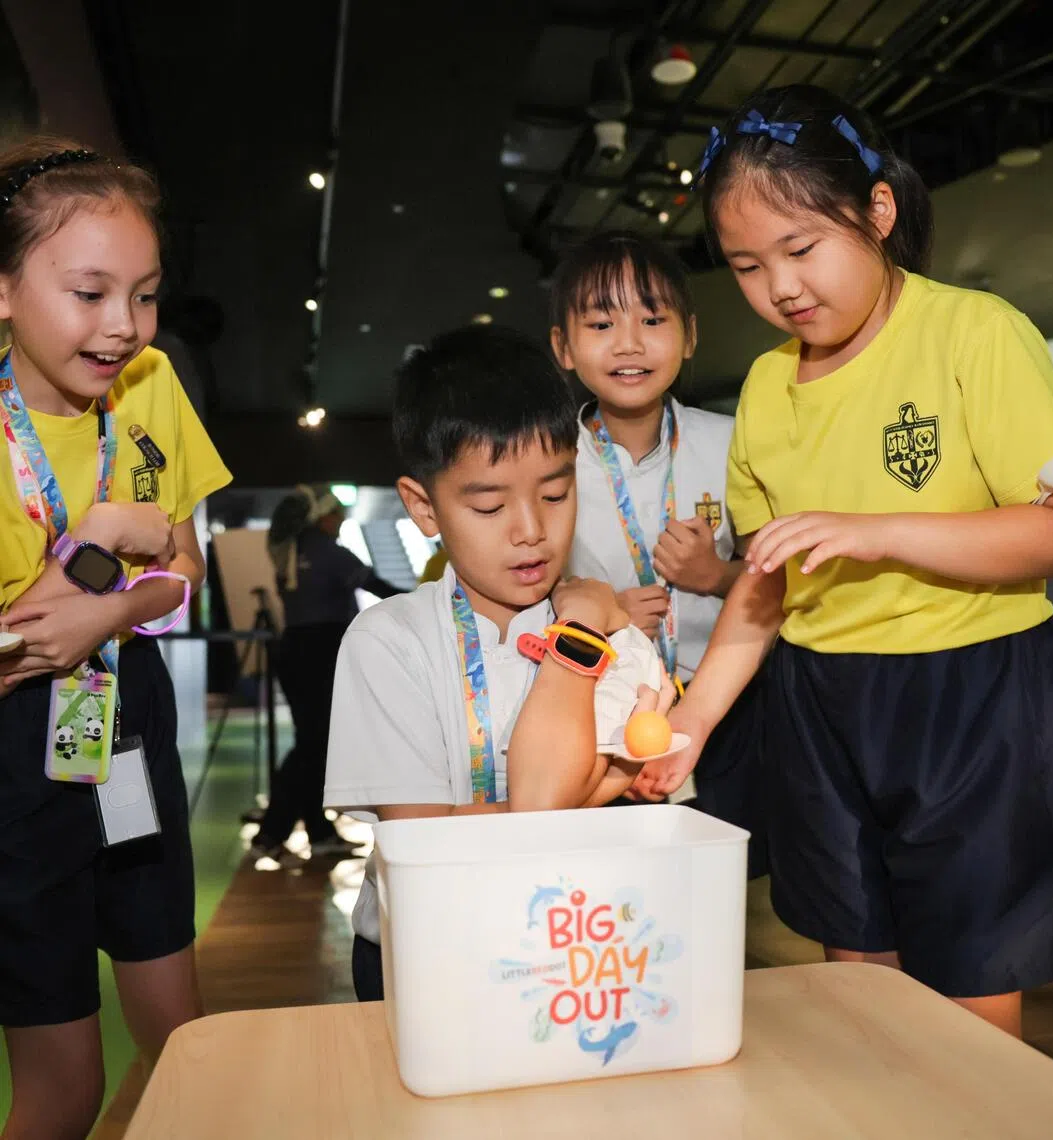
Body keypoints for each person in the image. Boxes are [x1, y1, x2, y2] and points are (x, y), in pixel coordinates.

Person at [634, 83, 1053, 1039]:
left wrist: (879, 528)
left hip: (973, 697)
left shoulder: (972, 333)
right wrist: (691, 719)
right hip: (818, 704)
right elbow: (762, 594)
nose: (781, 287)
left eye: (802, 248)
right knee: (860, 995)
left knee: (969, 1007)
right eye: (745, 266)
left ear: (878, 214)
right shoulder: (767, 389)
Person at [323, 325, 671, 1002]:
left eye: (555, 494)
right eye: (488, 504)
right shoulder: (390, 642)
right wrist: (601, 784)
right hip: (428, 954)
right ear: (424, 507)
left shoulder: (605, 623)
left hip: (580, 948)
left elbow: (655, 806)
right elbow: (422, 847)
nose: (530, 530)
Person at [0, 137, 231, 1140]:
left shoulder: (151, 387)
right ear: (3, 288)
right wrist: (98, 547)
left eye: (143, 294)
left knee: (185, 1050)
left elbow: (180, 575)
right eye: (89, 292)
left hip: (125, 716)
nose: (123, 327)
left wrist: (107, 600)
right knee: (64, 1089)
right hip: (13, 766)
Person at [549, 231, 764, 867]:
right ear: (563, 345)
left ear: (689, 335)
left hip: (722, 711)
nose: (630, 343)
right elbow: (514, 588)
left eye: (652, 319)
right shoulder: (545, 455)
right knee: (606, 889)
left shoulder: (731, 441)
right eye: (600, 323)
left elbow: (773, 581)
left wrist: (715, 574)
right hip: (594, 717)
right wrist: (595, 612)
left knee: (717, 887)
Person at [252, 485, 402, 861]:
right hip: (322, 654)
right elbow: (379, 587)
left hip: (295, 651)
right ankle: (271, 834)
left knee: (313, 745)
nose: (342, 521)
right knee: (314, 747)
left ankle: (318, 833)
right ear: (323, 517)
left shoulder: (289, 550)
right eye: (338, 514)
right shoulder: (328, 551)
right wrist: (427, 599)